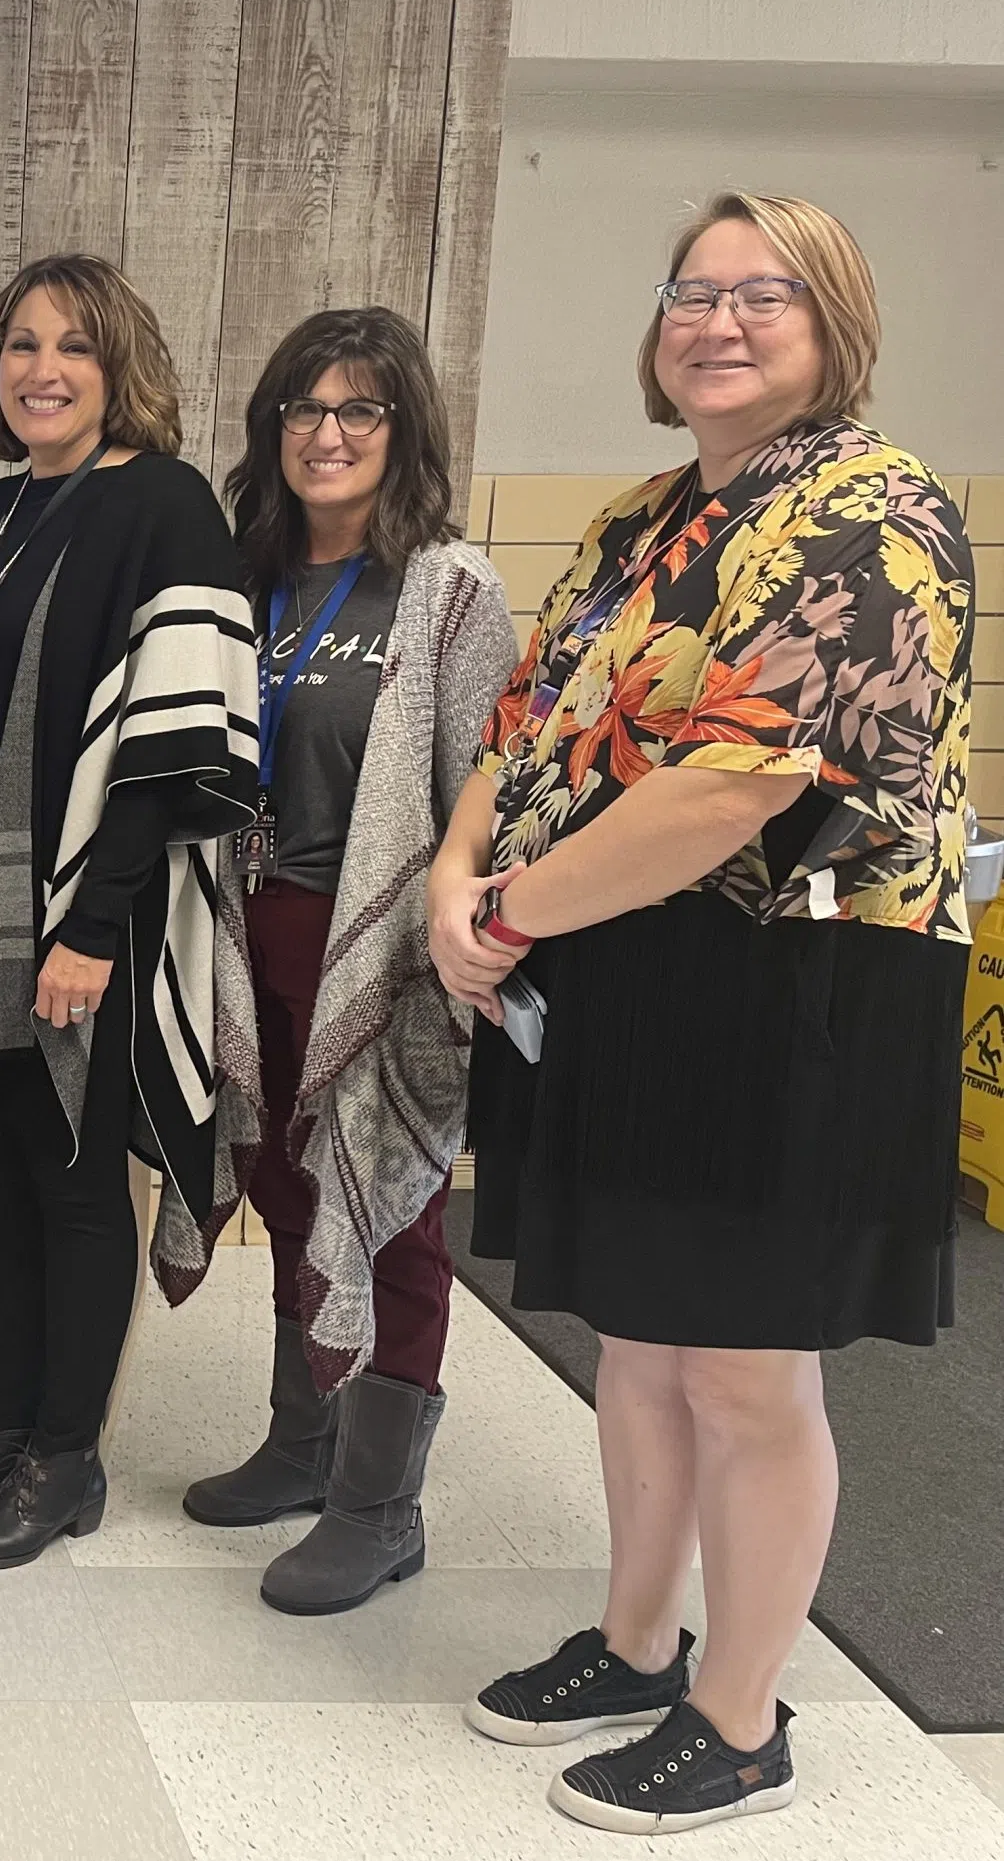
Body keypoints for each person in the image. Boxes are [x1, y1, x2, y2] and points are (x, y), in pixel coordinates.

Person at [437, 193, 971, 1835]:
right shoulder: (637, 520)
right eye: (691, 292)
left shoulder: (872, 513)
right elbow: (523, 724)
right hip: (626, 965)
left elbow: (732, 782)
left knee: (743, 1371)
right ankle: (637, 1640)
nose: (717, 321)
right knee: (647, 1345)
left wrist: (509, 911)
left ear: (835, 325)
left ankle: (742, 1716)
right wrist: (459, 874)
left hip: (794, 982)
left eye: (765, 295)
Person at [0, 253, 257, 1570]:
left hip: (92, 919)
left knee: (76, 1189)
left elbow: (171, 738)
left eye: (73, 346)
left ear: (119, 364)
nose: (42, 368)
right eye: (20, 344)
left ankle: (65, 1457)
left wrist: (89, 926)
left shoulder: (166, 508)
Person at [170, 308, 517, 1615]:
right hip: (240, 924)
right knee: (279, 1178)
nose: (326, 433)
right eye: (303, 410)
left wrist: (464, 927)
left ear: (400, 429)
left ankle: (381, 1507)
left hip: (372, 940)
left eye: (357, 411)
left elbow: (492, 781)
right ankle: (303, 1443)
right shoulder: (241, 575)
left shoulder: (445, 587)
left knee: (392, 1205)